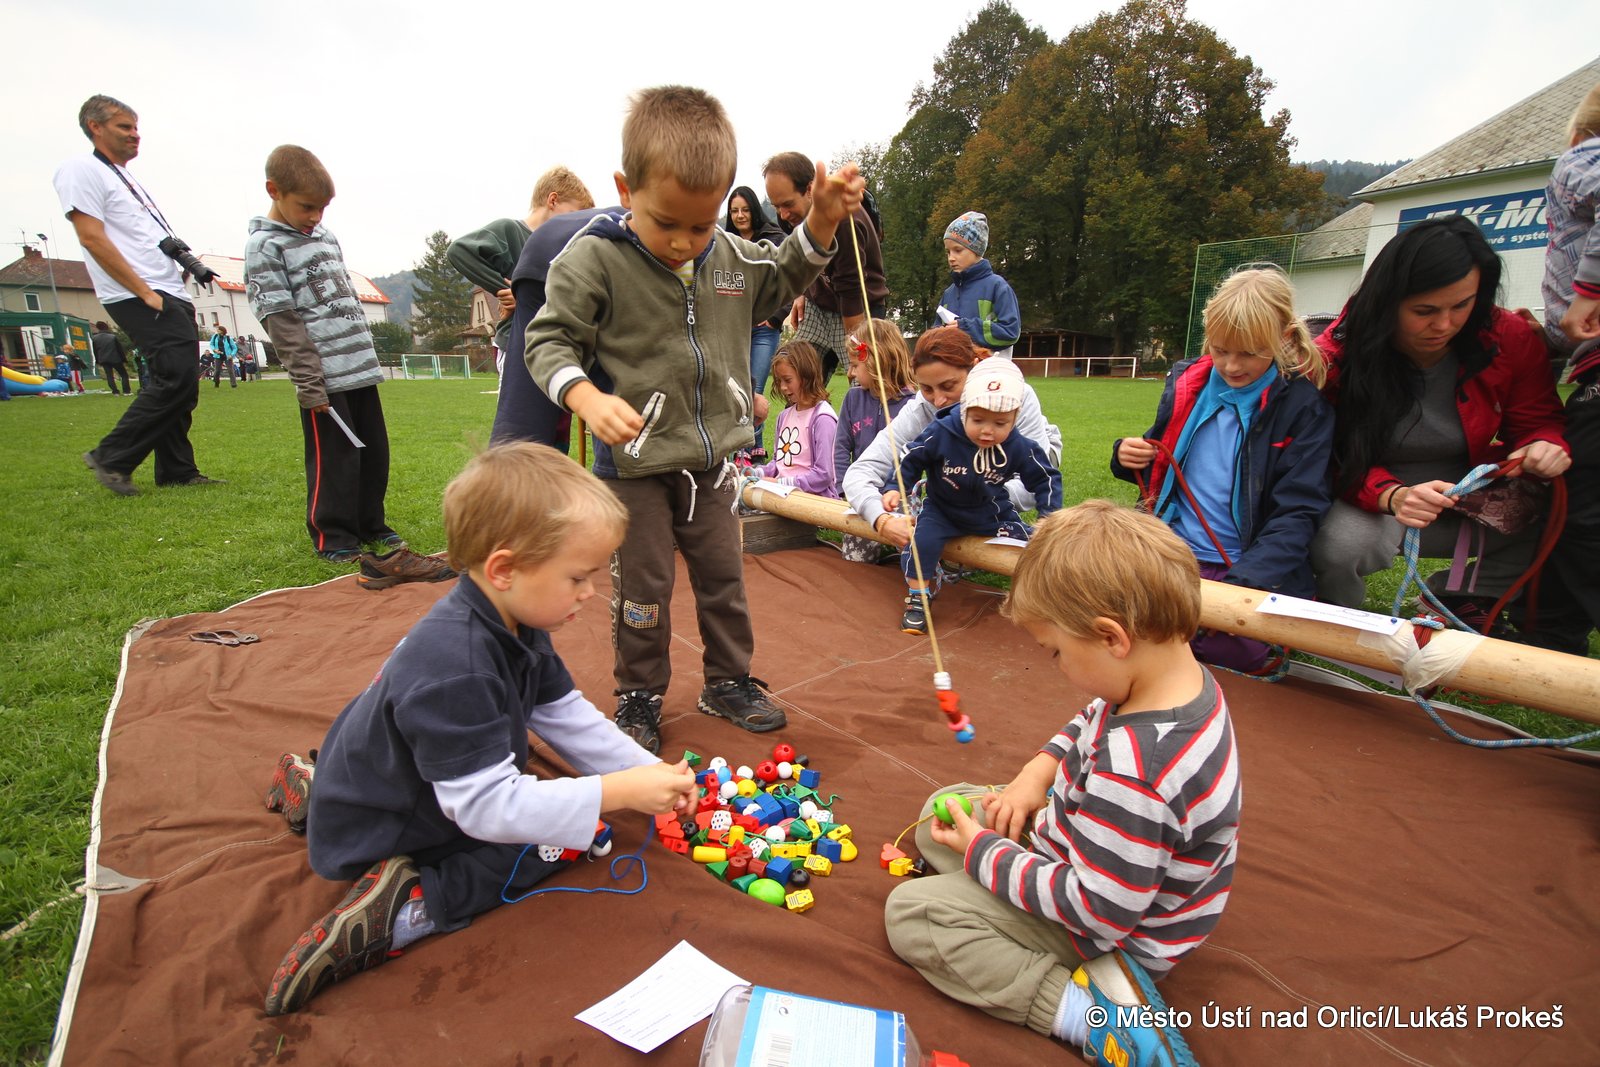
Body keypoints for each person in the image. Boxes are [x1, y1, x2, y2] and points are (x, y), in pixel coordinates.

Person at [260, 442, 699, 1015]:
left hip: (365, 783)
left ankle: (318, 794)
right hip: (391, 823)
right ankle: (407, 908)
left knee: (566, 810)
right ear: (504, 569)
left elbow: (566, 715)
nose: (590, 592)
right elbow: (487, 809)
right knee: (567, 837)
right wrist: (615, 793)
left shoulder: (513, 619)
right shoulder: (457, 665)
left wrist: (647, 771)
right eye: (577, 577)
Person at [526, 85, 865, 754]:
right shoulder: (593, 260)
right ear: (626, 190)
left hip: (712, 465)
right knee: (643, 589)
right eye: (667, 223)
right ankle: (639, 694)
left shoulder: (732, 259)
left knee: (724, 578)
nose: (684, 242)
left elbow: (784, 275)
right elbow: (548, 339)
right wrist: (585, 398)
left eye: (702, 225)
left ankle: (728, 680)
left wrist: (822, 225)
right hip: (635, 468)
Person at [884, 500, 1238, 1065]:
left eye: (1055, 652)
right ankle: (993, 884)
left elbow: (1098, 908)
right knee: (944, 809)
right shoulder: (1165, 679)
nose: (1056, 666)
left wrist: (983, 854)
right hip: (1084, 853)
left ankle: (1091, 1014)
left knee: (915, 915)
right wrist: (1035, 774)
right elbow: (1089, 719)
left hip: (1111, 929)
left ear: (1111, 637)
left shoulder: (1138, 770)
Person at [1309, 217, 1571, 630]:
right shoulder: (1334, 355)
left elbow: (1537, 419)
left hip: (1468, 495)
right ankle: (1333, 614)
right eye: (1424, 311)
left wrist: (1543, 442)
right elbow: (1323, 454)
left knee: (1564, 508)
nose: (1445, 325)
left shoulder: (1510, 336)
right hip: (1371, 494)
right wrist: (1392, 495)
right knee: (1341, 545)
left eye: (1462, 305)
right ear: (1386, 302)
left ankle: (1459, 598)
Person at [244, 144, 457, 589]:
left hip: (358, 367)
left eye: (322, 208)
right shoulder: (264, 246)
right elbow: (282, 321)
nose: (315, 216)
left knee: (372, 454)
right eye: (306, 206)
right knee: (335, 459)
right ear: (274, 191)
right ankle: (334, 535)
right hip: (324, 374)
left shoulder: (325, 237)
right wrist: (309, 382)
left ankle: (370, 523)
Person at [1112, 267, 1333, 672]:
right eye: (1220, 350)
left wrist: (1243, 584)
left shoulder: (1303, 408)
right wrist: (1125, 455)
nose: (1231, 366)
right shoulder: (1187, 383)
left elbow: (1298, 511)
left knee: (1230, 654)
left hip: (1244, 566)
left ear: (1284, 338)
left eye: (1249, 353)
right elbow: (1162, 456)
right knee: (1121, 630)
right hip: (1171, 553)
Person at [55, 94, 219, 495]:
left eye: (136, 127)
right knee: (175, 377)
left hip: (166, 288)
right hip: (140, 292)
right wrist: (144, 292)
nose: (135, 135)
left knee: (182, 381)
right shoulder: (81, 169)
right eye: (124, 127)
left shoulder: (124, 179)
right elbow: (91, 237)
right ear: (95, 127)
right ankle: (112, 457)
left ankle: (177, 469)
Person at [842, 325, 1062, 554]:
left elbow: (1033, 486)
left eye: (948, 386)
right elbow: (861, 471)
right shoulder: (919, 409)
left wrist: (971, 498)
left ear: (974, 369)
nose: (938, 400)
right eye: (927, 388)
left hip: (1033, 457)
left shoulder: (1019, 397)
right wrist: (881, 518)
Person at [881, 356, 1061, 634]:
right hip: (942, 510)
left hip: (991, 511)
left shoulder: (1019, 446)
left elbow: (1046, 478)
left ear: (1014, 418)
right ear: (965, 410)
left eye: (1000, 423)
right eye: (978, 420)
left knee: (1035, 546)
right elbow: (912, 457)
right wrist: (896, 486)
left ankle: (1045, 599)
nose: (987, 431)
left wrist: (1049, 517)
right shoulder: (942, 432)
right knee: (921, 544)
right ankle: (918, 599)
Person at [1526, 83, 1600, 656]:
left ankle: (1552, 634)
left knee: (1580, 513)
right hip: (1585, 365)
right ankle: (1550, 633)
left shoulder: (1583, 155)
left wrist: (1587, 292)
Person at [448, 166, 595, 366]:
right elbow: (459, 251)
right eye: (572, 214)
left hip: (553, 345)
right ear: (553, 200)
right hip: (515, 343)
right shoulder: (511, 231)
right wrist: (505, 289)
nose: (575, 225)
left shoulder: (565, 248)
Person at [764, 150, 887, 382]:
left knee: (862, 381)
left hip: (859, 308)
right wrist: (801, 292)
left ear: (810, 189)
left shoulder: (845, 222)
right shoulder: (790, 217)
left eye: (788, 204)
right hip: (819, 306)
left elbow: (851, 290)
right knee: (798, 377)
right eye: (777, 206)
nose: (783, 214)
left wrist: (855, 350)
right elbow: (799, 258)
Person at [834, 319, 916, 564]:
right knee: (856, 560)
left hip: (901, 497)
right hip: (861, 494)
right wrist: (843, 490)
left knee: (916, 559)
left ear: (875, 361)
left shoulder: (914, 406)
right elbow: (841, 447)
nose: (850, 373)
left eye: (854, 365)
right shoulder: (853, 399)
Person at [725, 184, 786, 458]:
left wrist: (775, 318)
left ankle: (752, 448)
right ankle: (742, 449)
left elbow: (790, 281)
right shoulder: (724, 243)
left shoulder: (773, 239)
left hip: (764, 331)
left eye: (745, 210)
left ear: (755, 211)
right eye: (734, 211)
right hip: (736, 329)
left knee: (756, 388)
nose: (740, 216)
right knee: (737, 389)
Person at [754, 340, 838, 496]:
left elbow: (823, 475)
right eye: (779, 381)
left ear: (806, 375)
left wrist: (781, 484)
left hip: (813, 500)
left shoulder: (823, 419)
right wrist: (756, 473)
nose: (782, 387)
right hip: (782, 495)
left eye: (788, 380)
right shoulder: (783, 417)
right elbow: (779, 464)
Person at [935, 211, 1021, 359]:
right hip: (954, 372)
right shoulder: (948, 294)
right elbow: (935, 332)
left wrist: (966, 328)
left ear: (977, 250)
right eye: (948, 252)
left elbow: (1010, 332)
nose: (951, 258)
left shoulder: (997, 287)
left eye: (958, 250)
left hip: (990, 371)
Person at [91, 320, 130, 395]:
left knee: (109, 375)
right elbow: (119, 349)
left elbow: (95, 351)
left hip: (103, 359)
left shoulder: (95, 338)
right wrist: (124, 359)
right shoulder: (112, 337)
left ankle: (115, 391)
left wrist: (97, 360)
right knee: (123, 374)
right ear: (106, 327)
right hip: (115, 358)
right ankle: (126, 391)